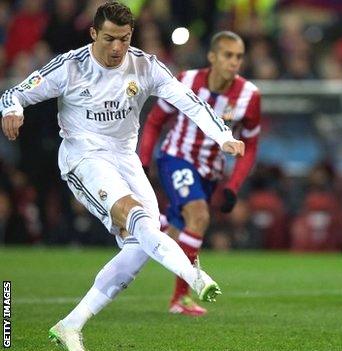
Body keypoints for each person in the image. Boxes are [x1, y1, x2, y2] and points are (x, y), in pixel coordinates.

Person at [0, 2, 245, 350]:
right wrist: (12, 109)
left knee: (139, 246)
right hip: (83, 156)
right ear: (94, 34)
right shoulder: (71, 66)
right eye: (110, 39)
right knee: (139, 218)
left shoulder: (144, 66)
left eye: (125, 39)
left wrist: (223, 136)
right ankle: (193, 275)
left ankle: (71, 325)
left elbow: (187, 100)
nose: (117, 48)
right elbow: (15, 92)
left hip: (124, 158)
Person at [138, 30, 261, 316]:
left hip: (211, 172)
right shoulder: (186, 81)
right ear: (212, 57)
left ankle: (144, 225)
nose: (234, 62)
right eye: (228, 55)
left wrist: (233, 186)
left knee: (174, 228)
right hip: (176, 158)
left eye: (239, 57)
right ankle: (180, 299)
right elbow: (156, 121)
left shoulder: (249, 96)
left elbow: (251, 146)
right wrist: (143, 161)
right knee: (199, 215)